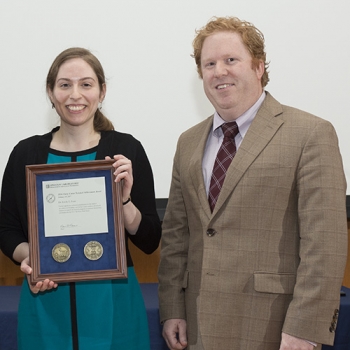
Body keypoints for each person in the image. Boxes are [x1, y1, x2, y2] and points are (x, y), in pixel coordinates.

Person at [158, 16, 348, 350]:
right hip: (199, 326)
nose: (220, 71)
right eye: (209, 63)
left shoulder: (309, 133)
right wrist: (172, 308)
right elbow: (176, 236)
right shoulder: (188, 142)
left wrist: (306, 327)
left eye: (231, 60)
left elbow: (325, 241)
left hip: (275, 328)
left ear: (259, 66)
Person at [0, 47, 161, 349]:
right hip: (45, 300)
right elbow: (7, 231)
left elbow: (150, 239)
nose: (75, 94)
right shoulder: (25, 154)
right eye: (64, 84)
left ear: (102, 92)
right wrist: (32, 258)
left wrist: (124, 202)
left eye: (86, 84)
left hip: (113, 302)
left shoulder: (126, 150)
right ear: (51, 93)